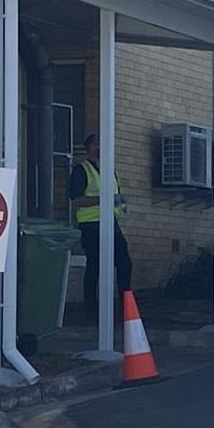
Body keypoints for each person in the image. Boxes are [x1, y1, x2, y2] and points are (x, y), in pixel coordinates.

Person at [69, 133, 133, 316]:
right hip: (91, 224)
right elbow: (76, 200)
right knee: (95, 264)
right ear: (91, 147)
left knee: (124, 262)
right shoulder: (81, 170)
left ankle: (125, 306)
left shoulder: (109, 170)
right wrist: (104, 200)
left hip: (110, 222)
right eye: (100, 145)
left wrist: (121, 203)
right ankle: (91, 309)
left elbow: (115, 194)